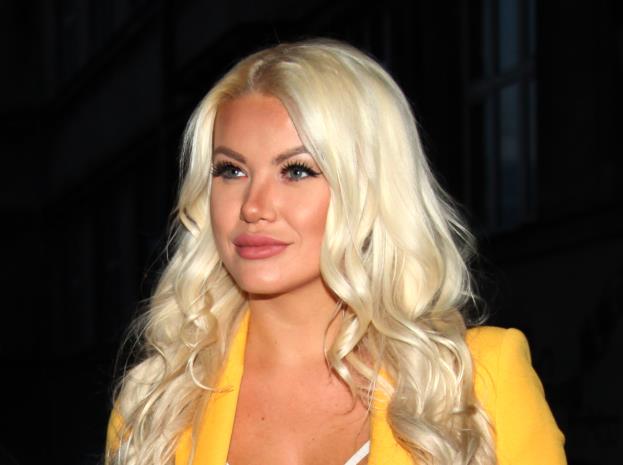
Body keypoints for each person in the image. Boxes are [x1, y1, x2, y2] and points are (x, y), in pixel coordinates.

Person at [105, 39, 566, 465]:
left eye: (297, 171)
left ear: (370, 187)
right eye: (231, 170)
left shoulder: (477, 382)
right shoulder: (156, 401)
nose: (253, 207)